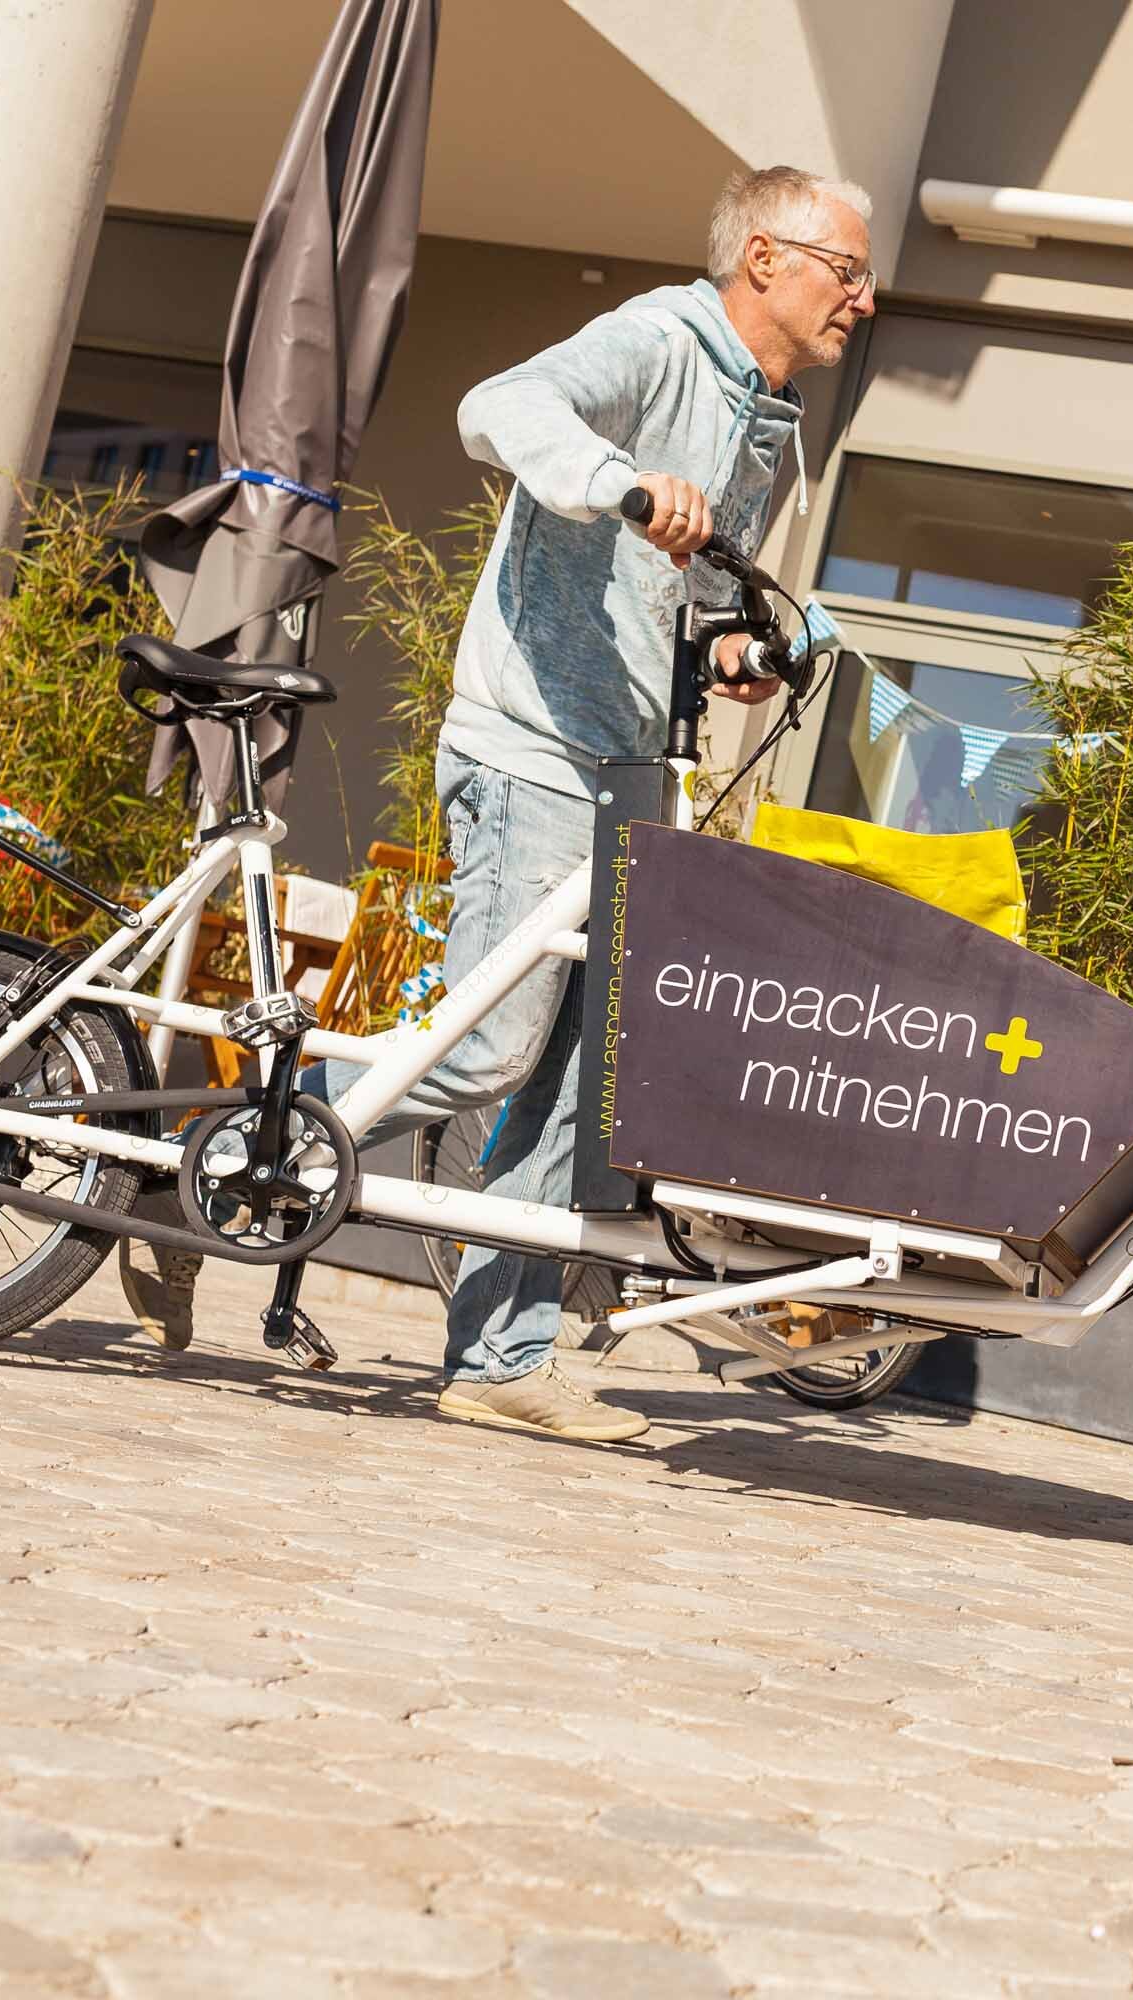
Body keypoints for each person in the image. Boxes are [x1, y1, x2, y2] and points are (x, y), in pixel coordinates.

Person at [306, 166, 876, 1441]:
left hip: (631, 766)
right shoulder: (659, 339)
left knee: (576, 1070)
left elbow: (684, 602)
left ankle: (502, 1360)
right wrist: (621, 481)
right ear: (768, 262)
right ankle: (257, 1144)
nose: (866, 297)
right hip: (533, 741)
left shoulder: (769, 416)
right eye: (848, 270)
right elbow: (499, 405)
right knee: (496, 1040)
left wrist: (725, 651)